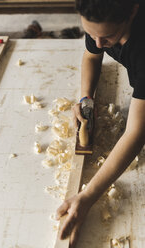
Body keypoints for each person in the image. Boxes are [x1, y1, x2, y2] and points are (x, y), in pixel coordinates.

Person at [56, 0, 145, 247]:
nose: (98, 43)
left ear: (134, 11)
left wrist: (88, 195)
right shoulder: (100, 22)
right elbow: (91, 57)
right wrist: (87, 99)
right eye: (90, 33)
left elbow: (136, 133)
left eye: (106, 37)